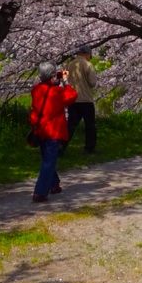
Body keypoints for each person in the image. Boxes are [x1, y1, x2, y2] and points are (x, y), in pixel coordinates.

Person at [29, 62, 77, 203]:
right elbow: (72, 96)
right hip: (53, 131)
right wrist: (65, 81)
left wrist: (50, 79)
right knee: (49, 162)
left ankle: (54, 185)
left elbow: (40, 86)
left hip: (40, 130)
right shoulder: (57, 92)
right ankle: (40, 192)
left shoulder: (36, 90)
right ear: (51, 76)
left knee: (47, 159)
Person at [65, 45, 98, 153]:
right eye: (90, 55)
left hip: (73, 100)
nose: (90, 57)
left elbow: (65, 79)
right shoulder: (88, 65)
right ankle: (89, 148)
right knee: (90, 125)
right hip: (86, 100)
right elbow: (93, 83)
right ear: (86, 54)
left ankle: (62, 146)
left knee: (70, 125)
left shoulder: (69, 64)